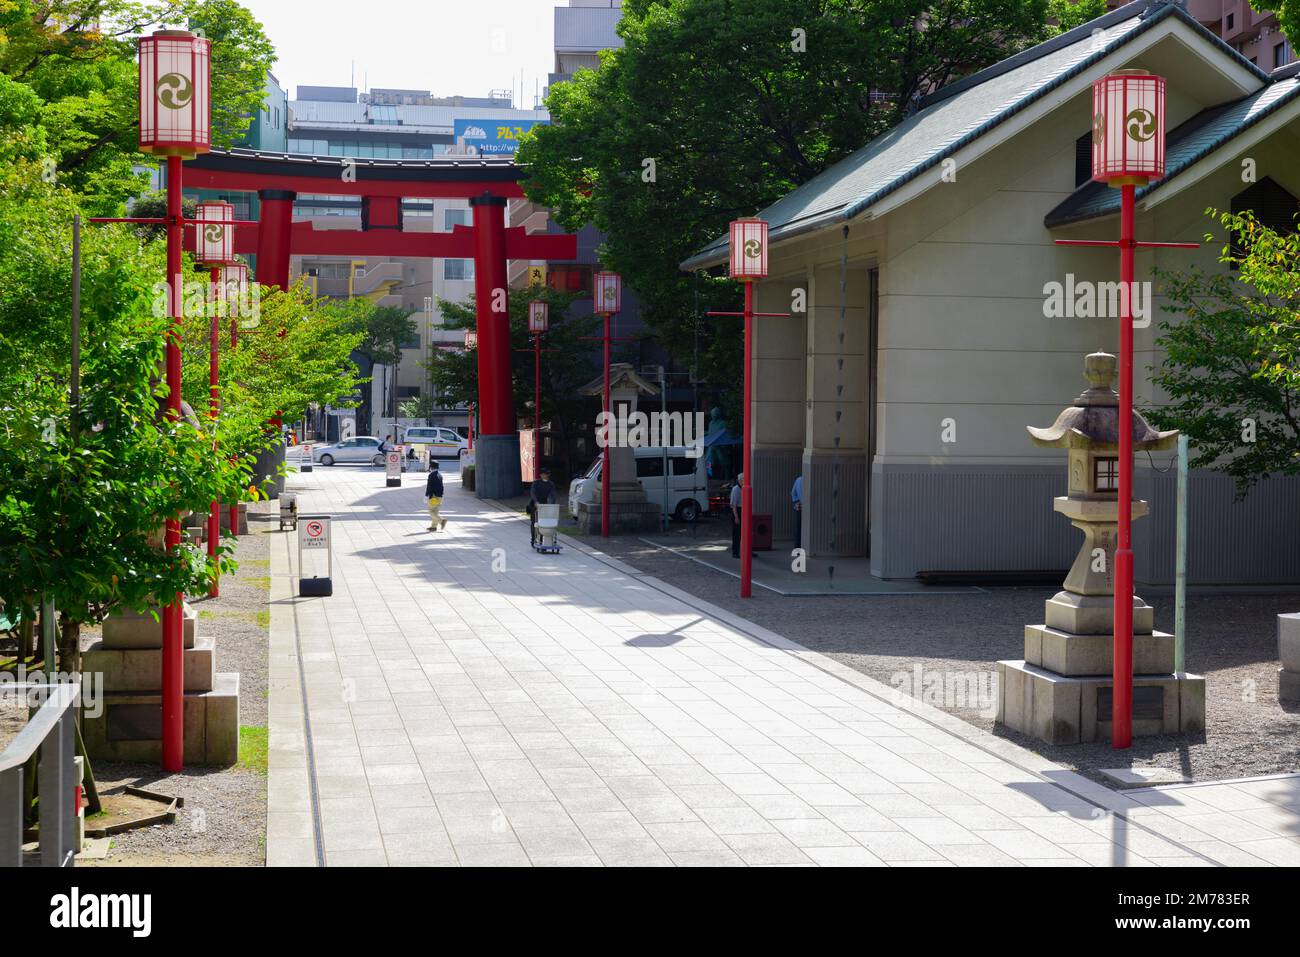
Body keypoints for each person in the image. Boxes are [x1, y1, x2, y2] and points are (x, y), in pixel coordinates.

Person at [528, 466, 556, 546]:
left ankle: (541, 539)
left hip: (545, 505)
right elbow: (532, 493)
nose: (545, 476)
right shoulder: (536, 483)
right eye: (543, 474)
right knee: (534, 522)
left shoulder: (550, 484)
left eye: (546, 474)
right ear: (540, 475)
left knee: (543, 523)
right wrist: (536, 502)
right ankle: (533, 539)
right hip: (534, 504)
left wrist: (552, 504)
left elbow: (553, 495)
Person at [425, 459, 446, 531]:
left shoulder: (431, 475)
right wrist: (442, 496)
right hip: (439, 496)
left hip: (433, 496)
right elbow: (442, 486)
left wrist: (426, 495)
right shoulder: (440, 475)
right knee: (435, 511)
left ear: (431, 467)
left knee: (430, 511)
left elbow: (429, 486)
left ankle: (442, 521)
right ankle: (434, 527)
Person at [730, 472, 743, 558]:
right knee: (737, 533)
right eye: (743, 480)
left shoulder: (744, 488)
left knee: (746, 532)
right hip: (737, 510)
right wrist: (736, 517)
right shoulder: (735, 489)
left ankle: (748, 550)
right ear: (739, 480)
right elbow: (733, 505)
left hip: (743, 509)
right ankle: (735, 552)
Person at [791, 474, 803, 552]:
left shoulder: (799, 480)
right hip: (808, 507)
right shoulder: (812, 480)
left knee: (798, 528)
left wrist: (796, 502)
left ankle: (797, 547)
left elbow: (793, 492)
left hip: (800, 507)